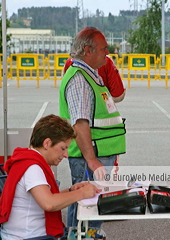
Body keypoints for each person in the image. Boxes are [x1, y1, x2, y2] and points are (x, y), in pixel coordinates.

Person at [59, 27, 126, 229]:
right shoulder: (80, 79)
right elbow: (80, 124)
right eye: (103, 48)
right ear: (88, 51)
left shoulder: (89, 75)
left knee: (86, 209)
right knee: (88, 210)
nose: (108, 52)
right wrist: (92, 161)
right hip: (90, 158)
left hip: (95, 155)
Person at [0, 114, 101, 239]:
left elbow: (46, 197)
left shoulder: (32, 161)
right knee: (96, 236)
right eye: (63, 148)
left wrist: (71, 191)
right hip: (29, 237)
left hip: (26, 234)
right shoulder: (32, 168)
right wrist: (82, 194)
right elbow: (49, 203)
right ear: (47, 143)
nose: (66, 155)